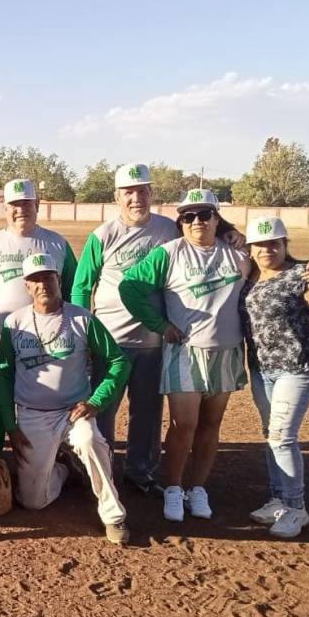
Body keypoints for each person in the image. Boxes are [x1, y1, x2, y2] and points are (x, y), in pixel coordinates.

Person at [118, 188, 250, 523]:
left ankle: (198, 489)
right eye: (188, 216)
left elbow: (275, 264)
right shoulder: (169, 253)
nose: (196, 222)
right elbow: (129, 287)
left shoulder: (237, 253)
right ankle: (174, 488)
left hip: (227, 350)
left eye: (204, 214)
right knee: (183, 425)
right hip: (186, 353)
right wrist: (160, 324)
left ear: (217, 219)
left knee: (211, 424)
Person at [0, 253, 131, 545]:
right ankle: (63, 469)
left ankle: (113, 515)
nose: (43, 283)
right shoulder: (14, 324)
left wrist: (96, 401)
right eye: (35, 279)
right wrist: (10, 424)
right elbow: (3, 375)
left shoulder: (82, 318)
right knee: (32, 502)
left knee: (89, 440)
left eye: (48, 277)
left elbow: (118, 361)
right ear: (27, 286)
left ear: (58, 280)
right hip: (32, 413)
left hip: (74, 411)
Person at [71, 163, 179, 495]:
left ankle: (141, 471)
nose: (136, 198)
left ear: (152, 193)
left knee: (147, 411)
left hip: (152, 340)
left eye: (142, 190)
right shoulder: (103, 235)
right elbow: (81, 288)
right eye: (129, 192)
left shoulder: (170, 230)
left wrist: (233, 234)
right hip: (111, 341)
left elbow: (208, 237)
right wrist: (82, 336)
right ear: (117, 197)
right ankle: (102, 470)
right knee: (103, 410)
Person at [240, 216, 309, 539]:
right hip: (261, 369)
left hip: (295, 368)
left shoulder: (303, 274)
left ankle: (296, 508)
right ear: (250, 248)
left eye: (274, 243)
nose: (268, 250)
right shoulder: (248, 276)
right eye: (261, 244)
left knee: (283, 436)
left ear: (284, 244)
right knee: (271, 434)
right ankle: (278, 498)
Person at [0, 179, 77, 350]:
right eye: (15, 204)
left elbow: (71, 290)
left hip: (48, 343)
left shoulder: (58, 244)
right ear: (6, 208)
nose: (21, 210)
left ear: (37, 205)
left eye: (26, 203)